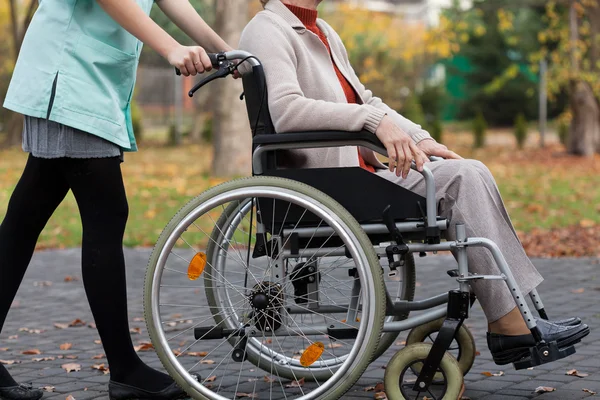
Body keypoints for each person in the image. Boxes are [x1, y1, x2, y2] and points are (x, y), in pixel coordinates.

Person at [240, 0, 590, 367]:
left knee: (470, 170)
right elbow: (288, 111)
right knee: (465, 178)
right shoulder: (267, 28)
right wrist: (372, 122)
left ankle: (521, 316)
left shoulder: (323, 31)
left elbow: (367, 101)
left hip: (359, 176)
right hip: (325, 186)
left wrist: (420, 138)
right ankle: (510, 325)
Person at [0, 1, 233, 399]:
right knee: (105, 213)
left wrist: (224, 49)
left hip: (84, 80)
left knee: (24, 221)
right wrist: (171, 48)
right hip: (69, 75)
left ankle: (126, 370)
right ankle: (125, 369)